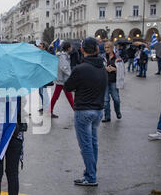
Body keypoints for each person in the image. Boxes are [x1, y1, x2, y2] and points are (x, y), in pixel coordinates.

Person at [64, 37, 107, 186]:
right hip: (98, 110)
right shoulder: (102, 66)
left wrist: (79, 85)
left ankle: (90, 176)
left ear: (82, 50)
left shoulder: (80, 69)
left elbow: (68, 87)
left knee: (86, 146)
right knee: (93, 143)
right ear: (96, 49)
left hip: (83, 110)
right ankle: (91, 172)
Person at [50, 42, 75, 118]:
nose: (72, 48)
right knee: (63, 96)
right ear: (68, 48)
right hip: (62, 80)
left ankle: (49, 111)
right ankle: (76, 112)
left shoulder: (65, 56)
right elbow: (64, 68)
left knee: (66, 96)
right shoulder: (63, 56)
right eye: (71, 47)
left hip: (62, 80)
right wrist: (71, 75)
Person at [102, 41, 122, 122]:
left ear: (112, 48)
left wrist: (115, 69)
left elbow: (122, 69)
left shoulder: (117, 57)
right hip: (105, 81)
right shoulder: (102, 57)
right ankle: (107, 116)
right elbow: (99, 67)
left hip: (114, 81)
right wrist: (105, 68)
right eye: (105, 48)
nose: (106, 49)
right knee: (105, 101)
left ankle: (118, 112)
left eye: (108, 47)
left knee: (116, 99)